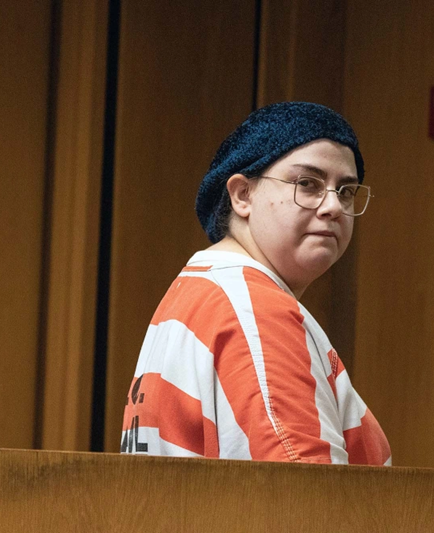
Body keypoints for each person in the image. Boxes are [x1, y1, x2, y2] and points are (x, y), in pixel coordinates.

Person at [121, 101, 391, 465]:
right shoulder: (255, 312)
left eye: (345, 190)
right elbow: (307, 490)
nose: (333, 206)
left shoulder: (201, 288)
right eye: (307, 184)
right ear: (242, 195)